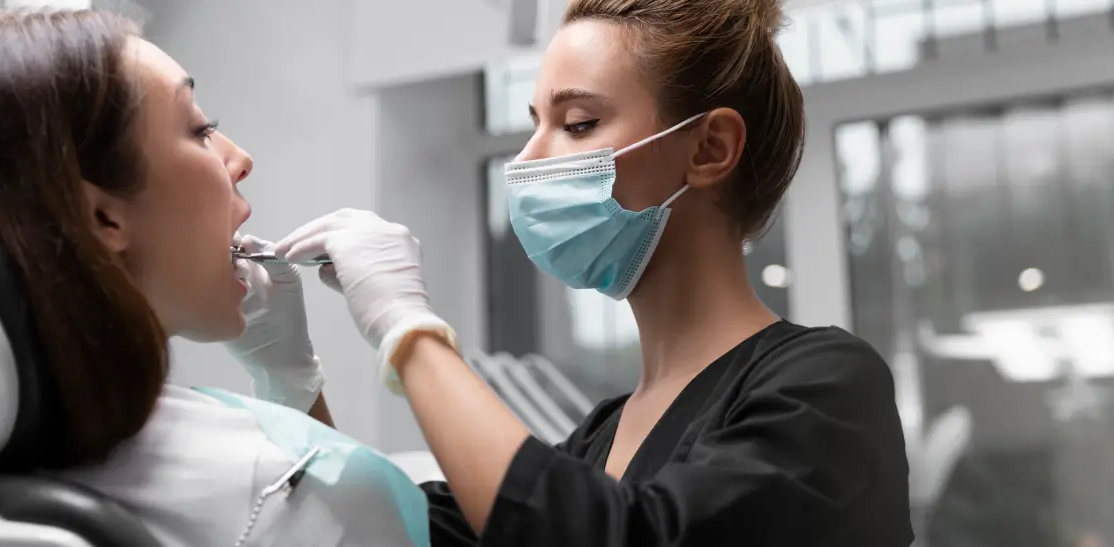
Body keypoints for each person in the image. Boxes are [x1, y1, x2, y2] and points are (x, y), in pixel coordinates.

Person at [268, 0, 914, 545]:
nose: (527, 160)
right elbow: (385, 530)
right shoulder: (601, 437)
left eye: (578, 123)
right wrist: (288, 373)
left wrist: (405, 326)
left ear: (709, 147)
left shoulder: (825, 387)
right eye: (535, 124)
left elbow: (609, 532)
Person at [0, 9, 427, 547]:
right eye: (200, 129)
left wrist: (290, 385)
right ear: (102, 218)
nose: (241, 158)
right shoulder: (296, 497)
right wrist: (411, 331)